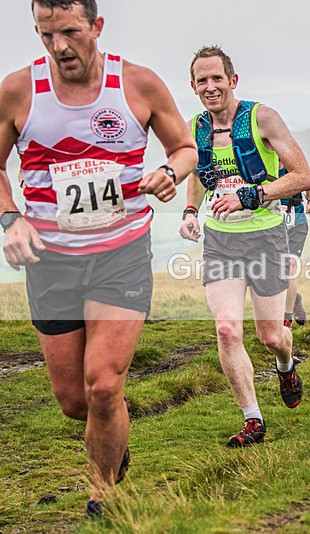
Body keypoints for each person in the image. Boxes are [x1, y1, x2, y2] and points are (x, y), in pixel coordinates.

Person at [0, 0, 197, 517]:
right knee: (75, 402)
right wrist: (9, 218)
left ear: (96, 26)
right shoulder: (19, 90)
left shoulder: (138, 84)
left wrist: (170, 173)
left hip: (122, 254)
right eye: (46, 35)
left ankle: (102, 498)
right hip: (52, 260)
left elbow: (185, 147)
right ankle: (114, 434)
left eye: (69, 32)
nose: (59, 46)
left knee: (105, 384)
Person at [178, 46, 310, 447]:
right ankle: (253, 419)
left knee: (271, 336)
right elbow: (202, 174)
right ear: (193, 86)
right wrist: (189, 211)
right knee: (225, 329)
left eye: (217, 78)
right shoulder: (196, 127)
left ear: (232, 80)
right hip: (220, 241)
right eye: (202, 80)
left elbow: (302, 175)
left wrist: (252, 195)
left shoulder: (262, 117)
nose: (210, 86)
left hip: (266, 237)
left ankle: (286, 365)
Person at [279, 165, 310, 328]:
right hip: (271, 224)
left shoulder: (291, 162)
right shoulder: (261, 162)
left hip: (297, 222)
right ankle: (294, 299)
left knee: (289, 267)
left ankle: (286, 319)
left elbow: (308, 183)